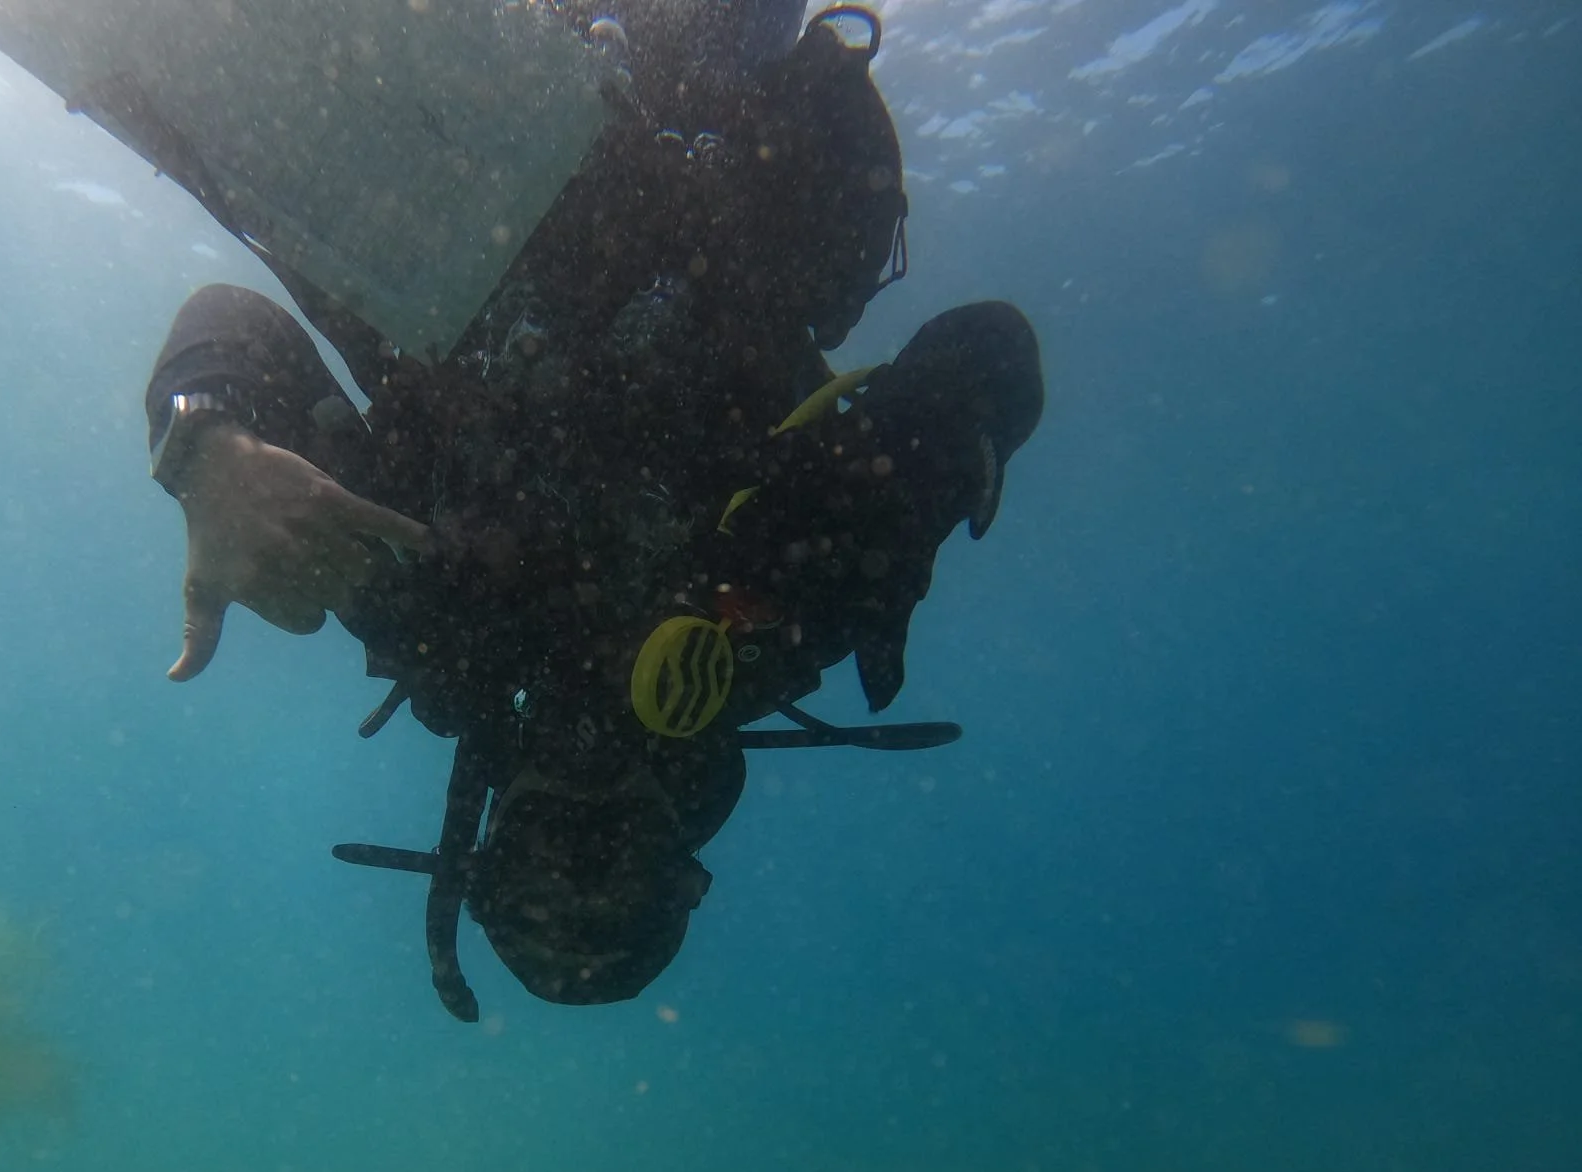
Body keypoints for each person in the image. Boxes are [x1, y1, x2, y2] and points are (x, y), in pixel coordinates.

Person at [143, 0, 1045, 1019]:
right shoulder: (789, 614)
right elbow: (993, 344)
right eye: (610, 855)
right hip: (699, 105)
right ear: (683, 850)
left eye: (542, 857)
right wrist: (915, 482)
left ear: (485, 845)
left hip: (453, 129)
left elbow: (231, 320)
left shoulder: (428, 618)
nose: (582, 814)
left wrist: (206, 448)